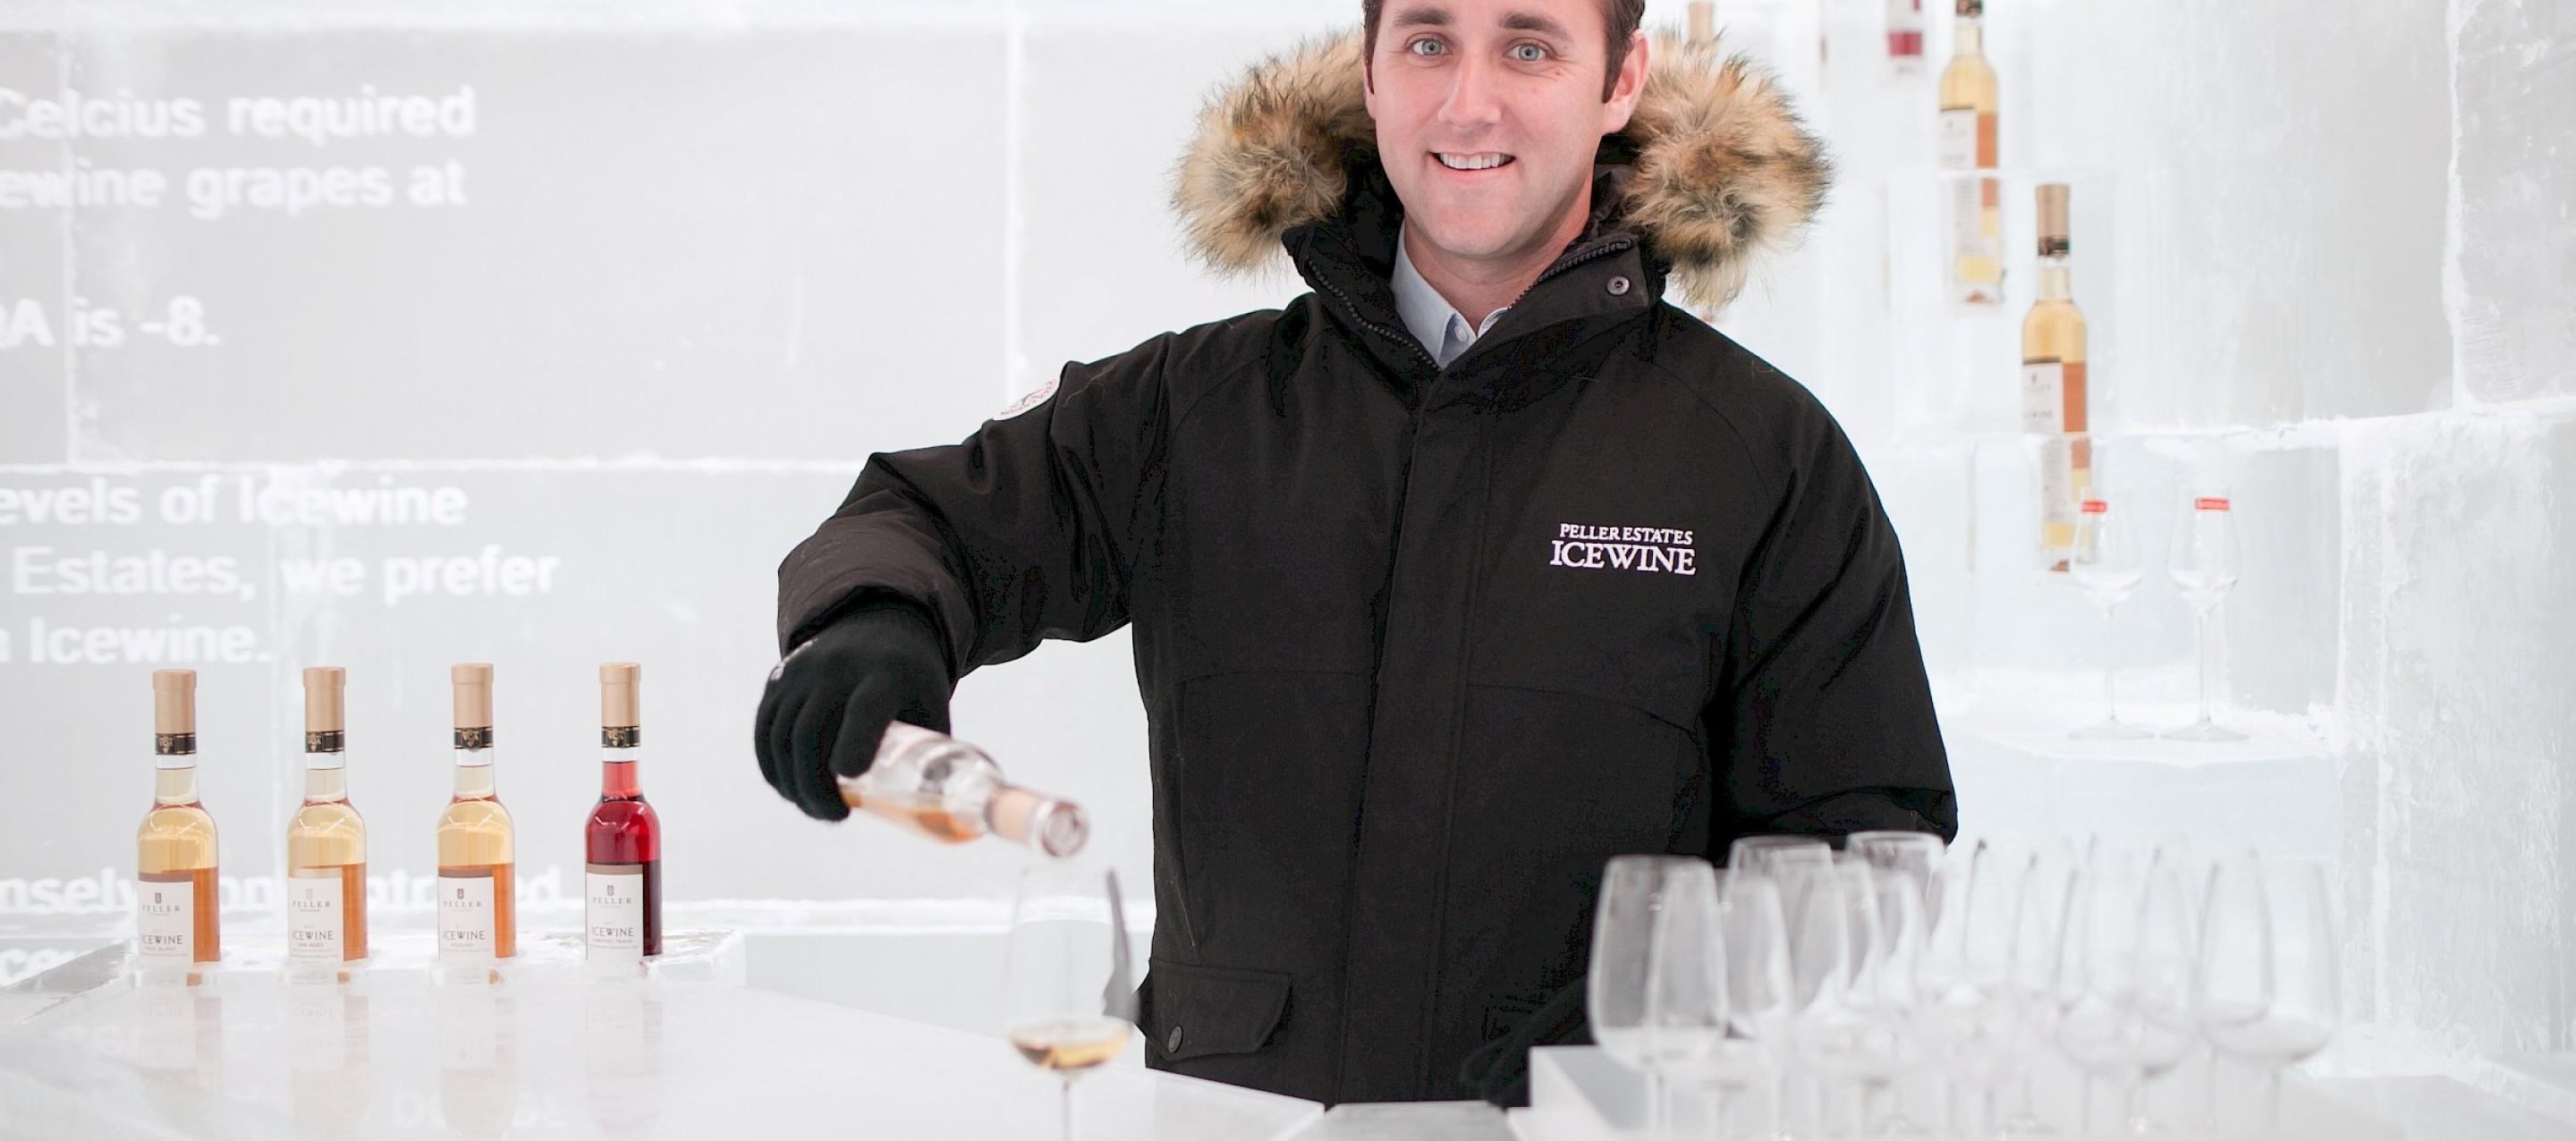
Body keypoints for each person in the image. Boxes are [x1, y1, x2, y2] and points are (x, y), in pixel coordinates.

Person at [754, 0, 1955, 1108]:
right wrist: (876, 620)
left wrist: (1654, 1036)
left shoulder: (1758, 453)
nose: (1469, 104)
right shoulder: (1197, 410)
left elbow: (1864, 850)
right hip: (1237, 1121)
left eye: (1528, 47)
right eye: (1428, 43)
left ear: (1621, 79)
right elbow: (931, 519)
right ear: (1372, 76)